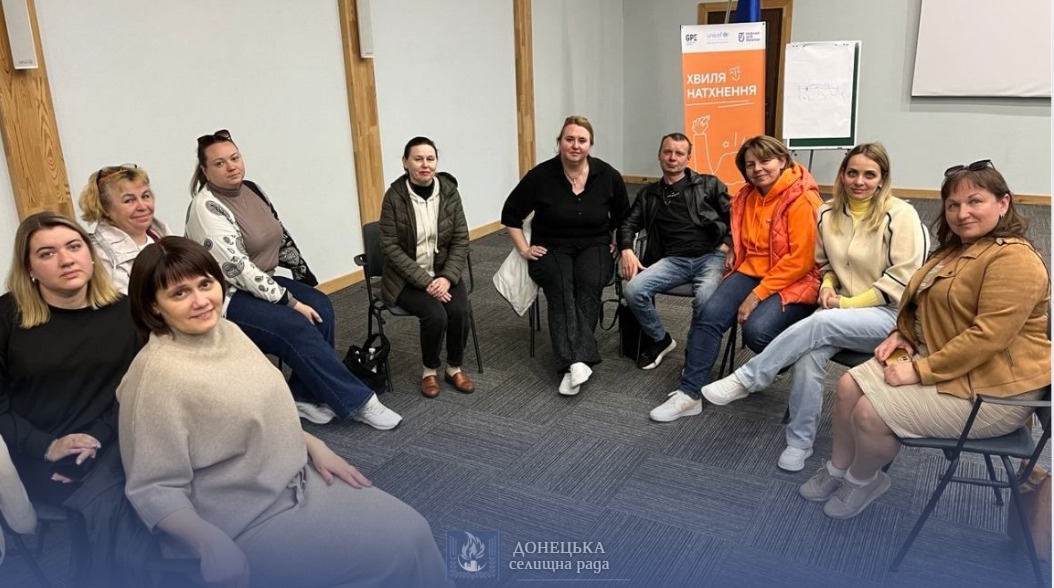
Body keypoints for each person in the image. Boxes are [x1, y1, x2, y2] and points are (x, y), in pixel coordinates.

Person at [118, 236, 453, 588]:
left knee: (413, 532)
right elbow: (153, 488)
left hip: (295, 478)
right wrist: (208, 541)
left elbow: (261, 410)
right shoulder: (156, 377)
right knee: (384, 561)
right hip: (241, 518)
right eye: (179, 293)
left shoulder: (227, 331)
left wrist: (312, 444)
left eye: (205, 284)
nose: (201, 301)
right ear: (154, 306)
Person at [800, 160, 1050, 519]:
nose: (962, 213)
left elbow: (987, 338)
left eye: (975, 202)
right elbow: (923, 302)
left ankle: (862, 479)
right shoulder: (955, 249)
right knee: (847, 387)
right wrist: (902, 332)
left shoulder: (1015, 259)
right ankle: (838, 468)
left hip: (993, 390)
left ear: (1003, 203)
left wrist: (919, 370)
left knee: (870, 414)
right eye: (953, 205)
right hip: (944, 359)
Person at [698, 143, 930, 471]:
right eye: (852, 173)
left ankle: (750, 377)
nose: (859, 181)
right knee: (808, 357)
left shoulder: (902, 214)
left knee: (820, 323)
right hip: (839, 311)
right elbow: (825, 265)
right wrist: (829, 286)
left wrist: (846, 303)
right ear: (842, 175)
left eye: (869, 175)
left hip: (890, 317)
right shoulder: (827, 213)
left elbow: (903, 280)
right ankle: (799, 442)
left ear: (882, 178)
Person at [184, 129, 400, 429]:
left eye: (235, 158)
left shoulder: (252, 189)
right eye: (220, 163)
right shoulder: (206, 208)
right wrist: (291, 302)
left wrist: (303, 276)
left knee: (321, 306)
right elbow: (240, 269)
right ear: (205, 171)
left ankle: (303, 396)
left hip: (262, 283)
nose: (231, 166)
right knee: (296, 325)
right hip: (227, 298)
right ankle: (360, 401)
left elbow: (280, 234)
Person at [650, 135, 822, 422]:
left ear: (782, 160)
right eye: (750, 164)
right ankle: (689, 394)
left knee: (757, 331)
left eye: (765, 161)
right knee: (709, 314)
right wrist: (732, 248)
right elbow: (740, 234)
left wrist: (756, 295)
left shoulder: (802, 199)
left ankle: (780, 360)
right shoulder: (747, 196)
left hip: (795, 278)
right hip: (751, 270)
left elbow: (801, 261)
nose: (757, 169)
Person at [0, 212, 133, 506]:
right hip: (34, 452)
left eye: (74, 247)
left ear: (91, 254)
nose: (66, 260)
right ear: (29, 268)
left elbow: (135, 392)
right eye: (47, 253)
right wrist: (47, 446)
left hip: (112, 444)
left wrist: (97, 438)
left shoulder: (127, 313)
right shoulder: (6, 317)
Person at [502, 115, 630, 396]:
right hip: (551, 246)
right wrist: (524, 248)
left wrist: (616, 241)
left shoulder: (607, 175)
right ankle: (578, 361)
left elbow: (624, 217)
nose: (575, 145)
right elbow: (510, 214)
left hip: (595, 245)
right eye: (569, 139)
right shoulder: (540, 176)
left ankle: (575, 362)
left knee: (589, 282)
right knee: (560, 287)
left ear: (590, 145)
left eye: (582, 140)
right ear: (559, 142)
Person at [618, 132, 731, 370]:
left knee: (705, 300)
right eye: (668, 152)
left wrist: (727, 244)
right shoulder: (648, 193)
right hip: (672, 260)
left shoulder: (709, 184)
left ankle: (695, 353)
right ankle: (661, 339)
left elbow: (737, 217)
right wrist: (627, 249)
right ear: (659, 155)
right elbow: (628, 224)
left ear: (688, 158)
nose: (672, 158)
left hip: (710, 256)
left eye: (679, 153)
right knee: (633, 290)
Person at [380, 137, 475, 398]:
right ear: (405, 163)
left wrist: (446, 278)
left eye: (430, 159)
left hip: (444, 273)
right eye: (418, 159)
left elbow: (461, 239)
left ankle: (454, 368)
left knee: (460, 311)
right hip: (405, 278)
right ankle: (429, 371)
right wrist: (426, 282)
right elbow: (390, 247)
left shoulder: (449, 192)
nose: (425, 165)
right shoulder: (394, 197)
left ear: (436, 162)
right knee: (436, 315)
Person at [79, 164, 171, 293]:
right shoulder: (102, 258)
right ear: (105, 209)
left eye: (145, 196)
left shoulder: (163, 234)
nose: (142, 206)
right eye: (129, 200)